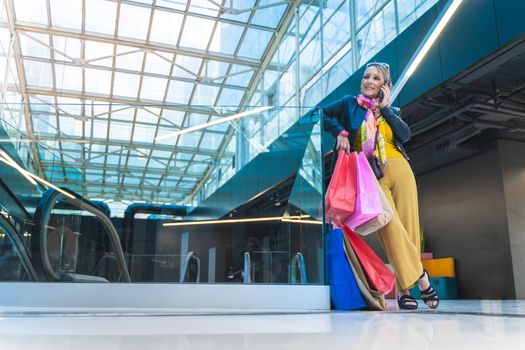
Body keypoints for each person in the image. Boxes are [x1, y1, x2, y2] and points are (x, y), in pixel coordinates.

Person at [323, 62, 439, 310]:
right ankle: (422, 279)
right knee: (390, 226)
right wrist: (340, 132)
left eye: (376, 78)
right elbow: (321, 113)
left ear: (384, 86)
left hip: (400, 169)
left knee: (408, 228)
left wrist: (385, 108)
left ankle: (404, 292)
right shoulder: (348, 103)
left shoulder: (391, 109)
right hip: (370, 177)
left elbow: (405, 135)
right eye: (366, 76)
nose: (369, 81)